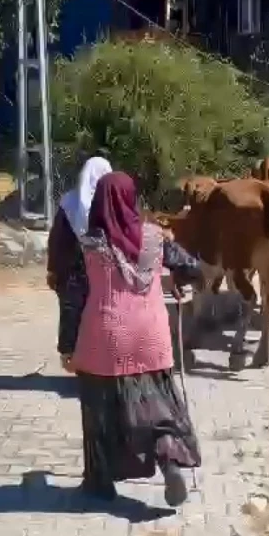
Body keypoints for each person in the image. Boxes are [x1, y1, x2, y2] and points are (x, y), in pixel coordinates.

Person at [58, 171, 203, 506]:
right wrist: (179, 281)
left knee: (100, 413)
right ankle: (169, 459)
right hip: (151, 334)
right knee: (161, 405)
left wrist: (66, 345)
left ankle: (100, 483)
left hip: (104, 336)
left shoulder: (89, 245)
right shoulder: (155, 237)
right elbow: (192, 266)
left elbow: (73, 298)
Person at [46, 155, 113, 293]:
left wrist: (52, 270)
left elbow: (56, 239)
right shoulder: (114, 203)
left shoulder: (69, 201)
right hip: (105, 277)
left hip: (71, 276)